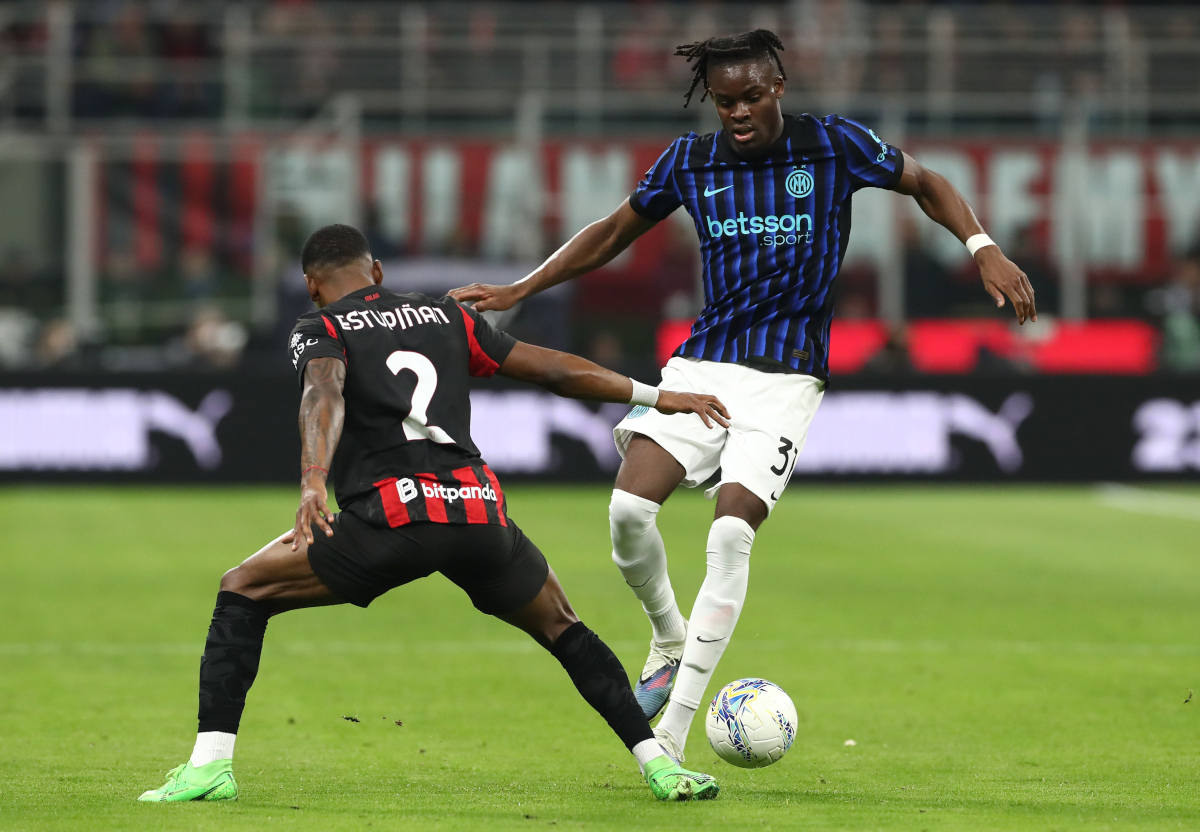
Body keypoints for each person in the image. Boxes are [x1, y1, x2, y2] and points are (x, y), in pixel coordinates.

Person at [450, 30, 1037, 762]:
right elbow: (611, 233)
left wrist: (984, 248)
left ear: (778, 88)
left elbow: (927, 184)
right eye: (725, 101)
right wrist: (521, 287)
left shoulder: (835, 146)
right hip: (703, 366)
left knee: (729, 533)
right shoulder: (691, 161)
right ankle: (668, 635)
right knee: (629, 512)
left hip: (788, 379)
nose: (738, 112)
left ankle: (673, 727)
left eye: (751, 96)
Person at [138, 224, 729, 804]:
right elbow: (550, 368)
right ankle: (659, 767)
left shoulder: (321, 325)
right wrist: (657, 395)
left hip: (392, 520)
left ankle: (209, 766)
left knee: (242, 588)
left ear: (312, 286)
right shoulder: (448, 316)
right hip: (478, 511)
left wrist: (314, 481)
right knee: (564, 627)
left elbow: (324, 392)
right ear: (377, 272)